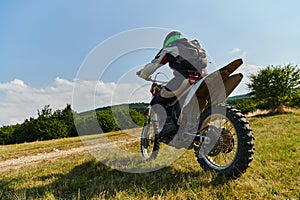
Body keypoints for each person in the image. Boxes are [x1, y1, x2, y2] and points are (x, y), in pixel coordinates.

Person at [136, 31, 207, 139]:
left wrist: (143, 73)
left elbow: (155, 63)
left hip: (184, 79)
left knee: (158, 100)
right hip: (201, 79)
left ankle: (168, 126)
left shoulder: (171, 47)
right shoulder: (196, 47)